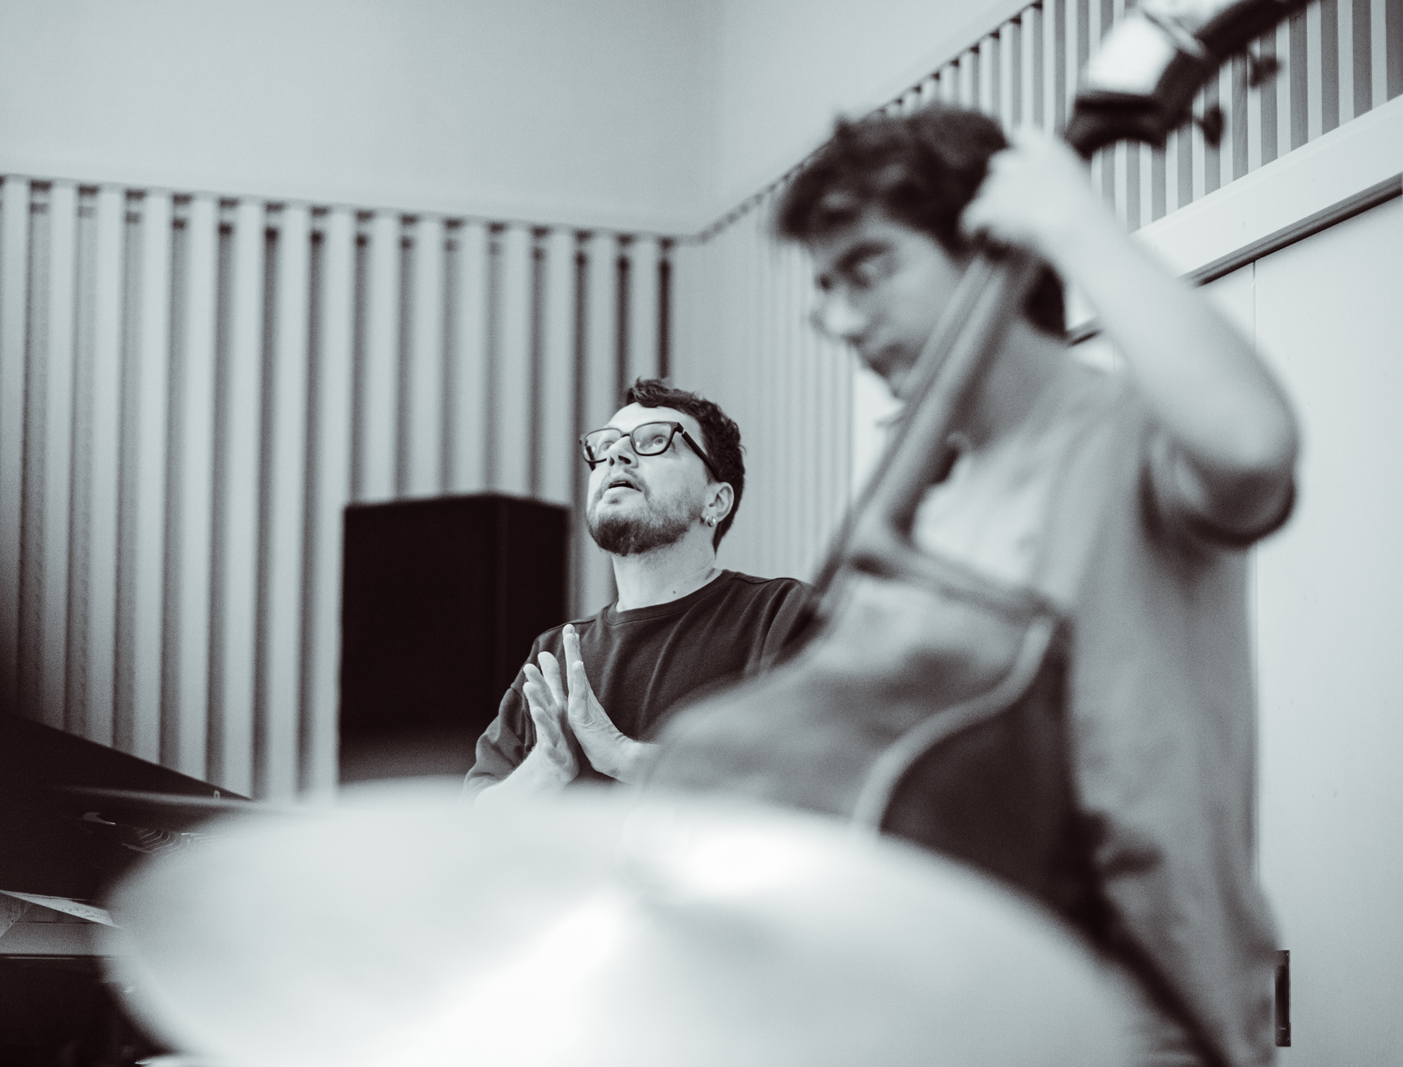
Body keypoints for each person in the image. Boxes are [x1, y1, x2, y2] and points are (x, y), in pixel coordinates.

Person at [713, 107, 1296, 1067]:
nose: (844, 323)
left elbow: (1252, 445)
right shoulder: (923, 506)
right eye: (827, 290)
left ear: (989, 245)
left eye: (869, 268)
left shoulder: (1127, 437)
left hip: (1142, 1017)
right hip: (952, 1017)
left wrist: (1077, 223)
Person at [463, 378, 811, 802]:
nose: (616, 454)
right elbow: (472, 821)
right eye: (606, 445)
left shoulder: (781, 615)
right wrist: (543, 770)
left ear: (716, 501)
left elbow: (817, 780)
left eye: (655, 441)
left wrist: (622, 756)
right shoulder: (555, 654)